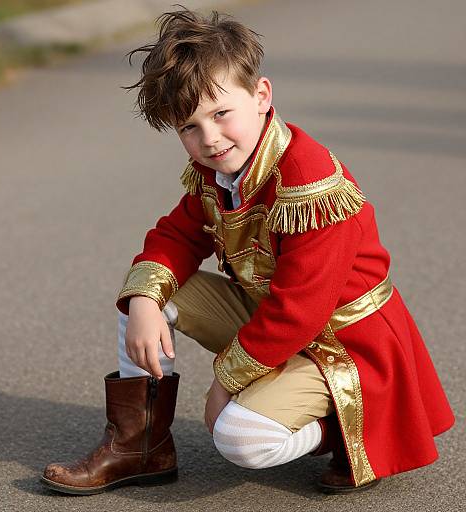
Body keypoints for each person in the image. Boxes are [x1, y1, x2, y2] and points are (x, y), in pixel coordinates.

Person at [41, 7, 454, 496]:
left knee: (237, 437)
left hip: (345, 342)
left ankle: (345, 427)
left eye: (220, 114)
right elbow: (177, 236)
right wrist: (146, 303)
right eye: (189, 127)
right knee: (148, 294)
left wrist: (226, 379)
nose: (209, 138)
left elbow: (300, 310)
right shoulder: (219, 174)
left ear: (261, 96)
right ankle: (141, 445)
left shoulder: (308, 178)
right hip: (275, 319)